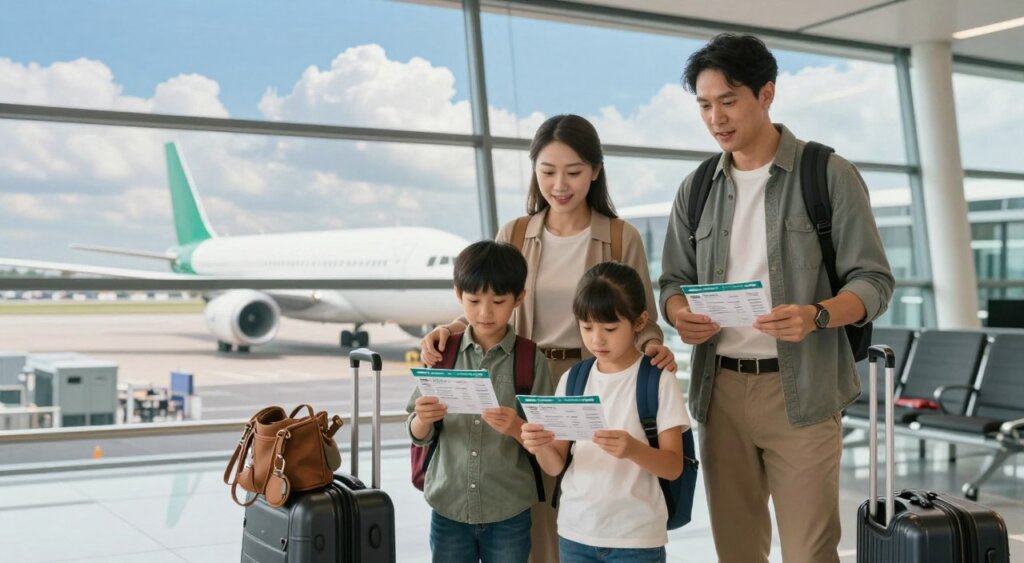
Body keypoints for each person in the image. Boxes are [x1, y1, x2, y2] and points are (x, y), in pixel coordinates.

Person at [659, 34, 895, 563]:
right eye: (703, 105)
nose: (716, 118)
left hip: (804, 393)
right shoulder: (695, 188)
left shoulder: (827, 174)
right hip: (719, 390)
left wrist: (817, 315)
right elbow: (671, 281)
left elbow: (874, 282)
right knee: (737, 552)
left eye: (728, 100)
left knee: (810, 553)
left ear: (766, 95)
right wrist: (680, 315)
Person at [421, 113, 676, 562]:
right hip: (526, 380)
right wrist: (451, 328)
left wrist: (653, 347)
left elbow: (643, 319)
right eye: (547, 172)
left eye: (574, 172)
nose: (560, 185)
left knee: (590, 495)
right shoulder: (516, 233)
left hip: (591, 382)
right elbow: (490, 304)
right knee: (533, 503)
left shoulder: (620, 236)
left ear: (595, 171)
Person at [521, 261, 690, 563]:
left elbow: (673, 466)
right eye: (586, 327)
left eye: (610, 329)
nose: (596, 339)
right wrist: (539, 446)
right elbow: (555, 465)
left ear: (640, 322)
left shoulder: (658, 380)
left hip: (637, 538)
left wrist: (633, 449)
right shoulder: (572, 379)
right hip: (575, 532)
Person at [406, 240, 554, 563]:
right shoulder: (441, 353)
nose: (485, 312)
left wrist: (517, 428)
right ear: (458, 295)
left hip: (509, 511)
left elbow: (547, 441)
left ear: (519, 298)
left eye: (498, 301)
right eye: (473, 300)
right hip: (449, 508)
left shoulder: (530, 359)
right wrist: (422, 419)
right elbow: (417, 432)